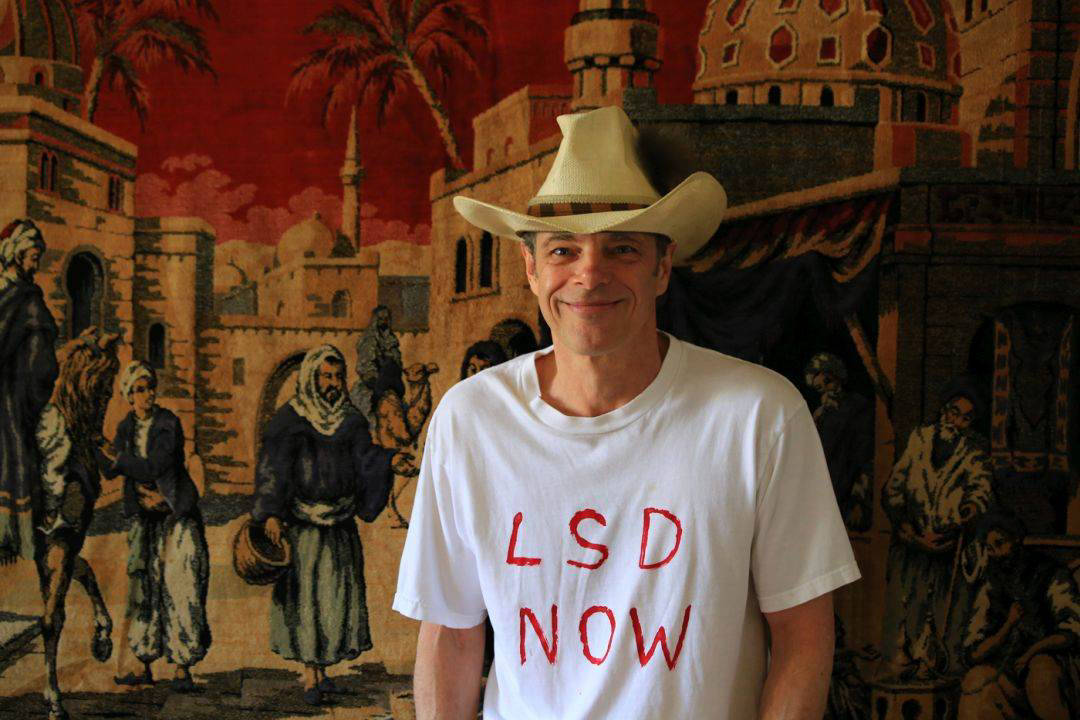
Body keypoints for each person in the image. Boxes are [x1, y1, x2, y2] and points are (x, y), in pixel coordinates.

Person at [393, 106, 859, 719]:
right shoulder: (470, 419)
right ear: (531, 269)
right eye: (563, 250)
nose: (590, 275)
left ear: (662, 267)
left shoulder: (759, 417)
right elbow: (451, 634)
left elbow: (803, 639)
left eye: (622, 249)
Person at [252, 345, 415, 705]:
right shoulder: (289, 420)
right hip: (304, 528)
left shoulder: (350, 421)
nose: (333, 384)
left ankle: (323, 672)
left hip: (339, 527)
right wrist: (272, 513)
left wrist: (390, 461)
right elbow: (272, 468)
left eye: (338, 376)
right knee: (307, 600)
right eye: (326, 376)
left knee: (335, 599)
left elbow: (366, 459)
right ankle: (310, 674)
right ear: (312, 378)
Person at [103, 361, 211, 692]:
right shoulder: (125, 427)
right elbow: (110, 470)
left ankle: (181, 665)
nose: (146, 394)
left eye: (150, 387)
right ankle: (144, 661)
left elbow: (156, 466)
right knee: (144, 587)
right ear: (129, 395)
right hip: (144, 518)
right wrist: (100, 451)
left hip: (175, 513)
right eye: (139, 390)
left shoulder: (168, 423)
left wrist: (119, 460)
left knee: (181, 584)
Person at [881, 380, 993, 679]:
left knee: (944, 609)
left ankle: (935, 666)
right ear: (944, 410)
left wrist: (968, 513)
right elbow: (894, 488)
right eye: (953, 412)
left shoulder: (974, 451)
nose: (955, 421)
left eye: (965, 417)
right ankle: (907, 664)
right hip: (913, 542)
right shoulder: (919, 439)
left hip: (948, 545)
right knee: (910, 604)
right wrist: (907, 529)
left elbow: (981, 492)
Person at [958, 511, 1079, 720]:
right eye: (990, 548)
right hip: (1008, 672)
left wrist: (1031, 652)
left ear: (1016, 539)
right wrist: (1007, 626)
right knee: (975, 681)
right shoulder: (990, 585)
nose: (996, 553)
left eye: (1000, 543)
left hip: (1051, 667)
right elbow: (974, 652)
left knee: (1041, 673)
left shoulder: (1050, 573)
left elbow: (1072, 632)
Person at [0, 219, 59, 564]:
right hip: (11, 395)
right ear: (17, 255)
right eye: (34, 258)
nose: (36, 265)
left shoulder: (16, 293)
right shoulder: (23, 298)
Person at [803, 352, 874, 531]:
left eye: (828, 381)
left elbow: (864, 453)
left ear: (836, 375)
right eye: (820, 388)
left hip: (850, 482)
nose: (828, 389)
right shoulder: (821, 414)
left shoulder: (858, 405)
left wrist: (859, 496)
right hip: (828, 484)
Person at [351, 305, 401, 425]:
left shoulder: (392, 339)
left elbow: (397, 363)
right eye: (380, 318)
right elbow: (365, 366)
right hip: (372, 387)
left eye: (386, 318)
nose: (384, 321)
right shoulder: (369, 339)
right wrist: (378, 383)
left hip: (392, 386)